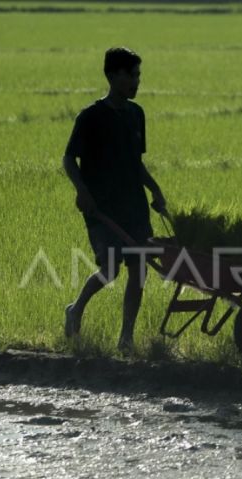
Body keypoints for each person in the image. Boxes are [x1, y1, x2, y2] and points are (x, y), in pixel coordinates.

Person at [62, 47, 166, 352]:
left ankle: (126, 338)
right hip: (101, 206)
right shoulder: (91, 117)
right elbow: (69, 159)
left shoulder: (136, 114)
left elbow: (136, 163)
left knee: (140, 268)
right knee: (110, 269)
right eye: (131, 76)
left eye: (138, 76)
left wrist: (155, 190)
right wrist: (82, 190)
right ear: (113, 76)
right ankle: (76, 308)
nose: (137, 82)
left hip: (133, 205)